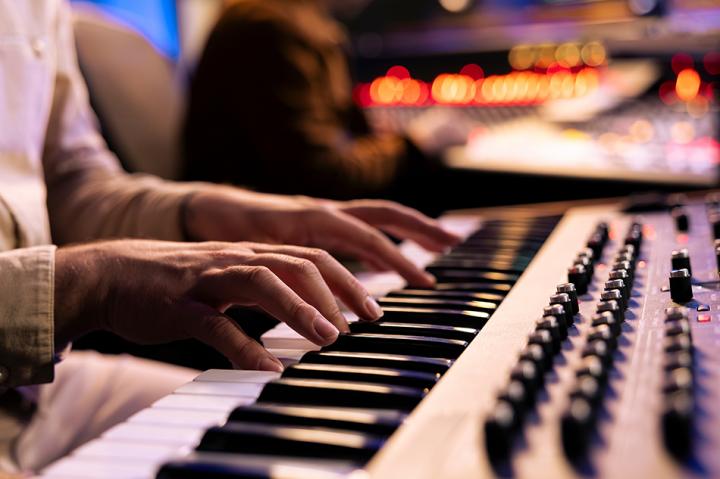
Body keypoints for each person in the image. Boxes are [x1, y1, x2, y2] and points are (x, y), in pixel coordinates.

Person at [0, 0, 460, 474]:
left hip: (43, 387)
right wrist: (94, 281)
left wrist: (224, 210)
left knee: (380, 433)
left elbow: (75, 183)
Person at [182, 0, 437, 202]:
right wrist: (415, 143)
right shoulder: (267, 26)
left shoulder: (307, 24)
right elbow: (320, 177)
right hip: (269, 237)